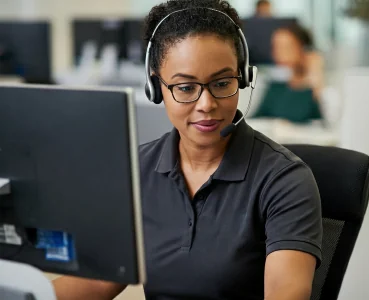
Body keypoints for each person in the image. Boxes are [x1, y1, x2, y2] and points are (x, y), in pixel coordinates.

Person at [53, 0, 322, 299]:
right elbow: (96, 281)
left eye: (222, 83)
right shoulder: (137, 171)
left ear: (243, 78)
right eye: (185, 87)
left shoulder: (285, 180)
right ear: (156, 88)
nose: (206, 104)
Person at [252, 23, 324, 123]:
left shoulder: (315, 87)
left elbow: (321, 119)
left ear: (303, 49)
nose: (277, 53)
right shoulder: (275, 85)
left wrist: (315, 72)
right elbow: (255, 119)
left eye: (285, 47)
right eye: (275, 47)